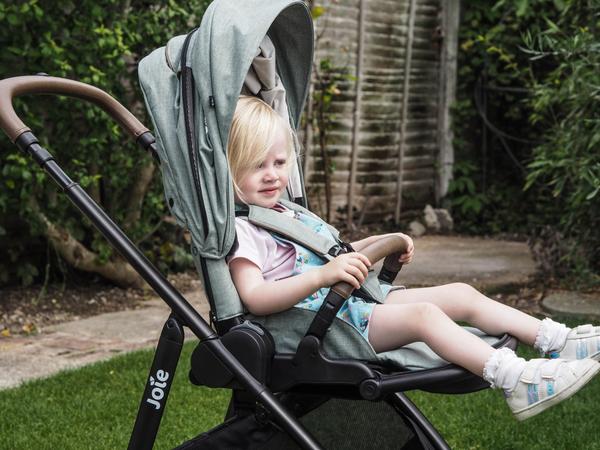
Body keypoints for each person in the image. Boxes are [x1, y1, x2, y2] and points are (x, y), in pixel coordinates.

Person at [226, 95, 600, 421]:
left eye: (279, 162)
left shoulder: (286, 212)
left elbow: (331, 253)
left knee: (460, 294)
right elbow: (255, 297)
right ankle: (515, 381)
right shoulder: (246, 230)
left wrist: (381, 242)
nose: (272, 175)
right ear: (229, 167)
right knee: (424, 316)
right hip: (323, 328)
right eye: (257, 165)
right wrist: (322, 277)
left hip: (347, 305)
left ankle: (558, 340)